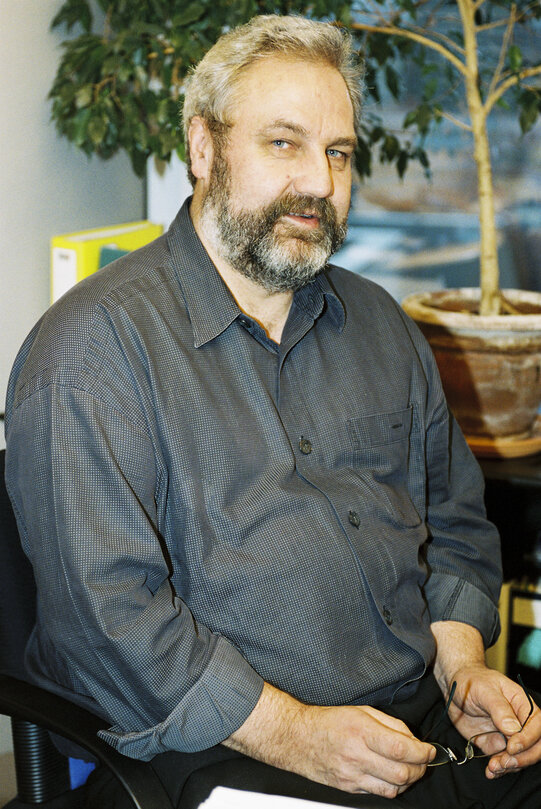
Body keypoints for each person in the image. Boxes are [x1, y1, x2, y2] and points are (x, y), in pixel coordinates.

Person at [4, 14, 541, 809]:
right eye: (283, 144)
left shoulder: (381, 325)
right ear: (201, 147)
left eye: (338, 153)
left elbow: (455, 522)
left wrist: (461, 666)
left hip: (420, 723)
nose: (320, 184)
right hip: (223, 747)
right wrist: (295, 732)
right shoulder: (90, 354)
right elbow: (106, 621)